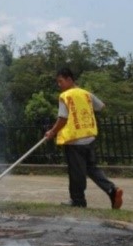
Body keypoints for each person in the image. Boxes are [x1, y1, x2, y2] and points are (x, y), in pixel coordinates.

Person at [45, 67, 124, 209]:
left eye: (60, 81)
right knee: (92, 168)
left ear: (69, 79)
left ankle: (78, 200)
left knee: (76, 172)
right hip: (89, 138)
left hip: (74, 140)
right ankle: (112, 190)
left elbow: (62, 118)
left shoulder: (66, 96)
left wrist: (52, 132)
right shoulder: (86, 94)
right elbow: (101, 106)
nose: (59, 85)